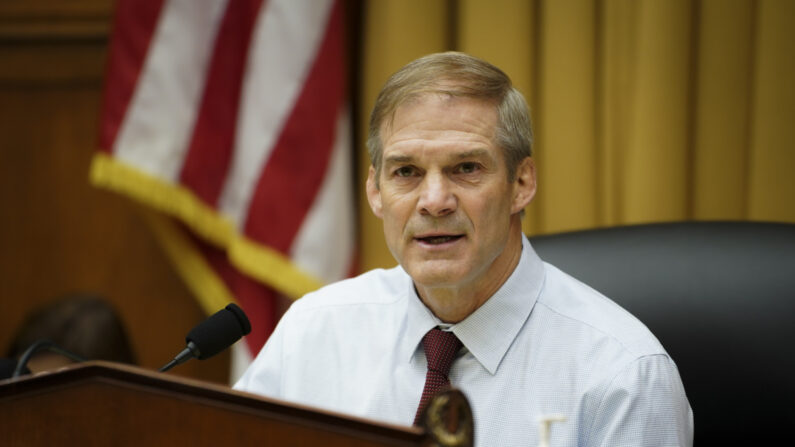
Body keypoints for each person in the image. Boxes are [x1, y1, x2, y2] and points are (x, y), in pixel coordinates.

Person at [235, 52, 693, 446]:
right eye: (406, 172)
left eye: (466, 168)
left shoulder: (621, 373)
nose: (434, 201)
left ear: (521, 183)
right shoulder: (315, 332)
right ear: (375, 191)